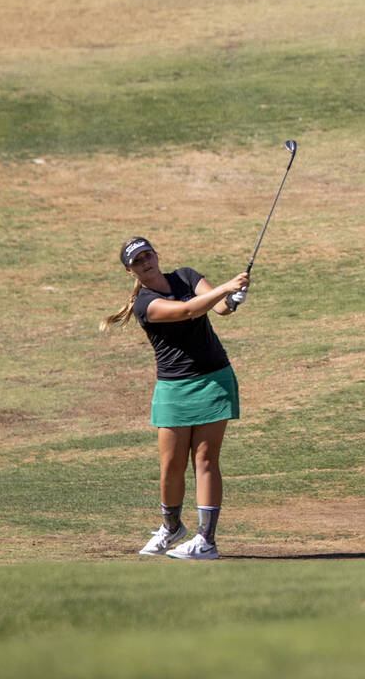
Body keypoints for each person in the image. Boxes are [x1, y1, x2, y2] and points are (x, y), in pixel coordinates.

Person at [100, 237, 250, 560]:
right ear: (130, 271)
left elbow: (219, 308)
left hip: (214, 379)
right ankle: (171, 527)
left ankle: (206, 541)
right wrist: (225, 287)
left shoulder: (186, 276)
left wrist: (233, 298)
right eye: (137, 261)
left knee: (206, 460)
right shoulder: (145, 303)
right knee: (171, 466)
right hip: (174, 388)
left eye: (148, 255)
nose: (146, 262)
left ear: (156, 255)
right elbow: (186, 310)